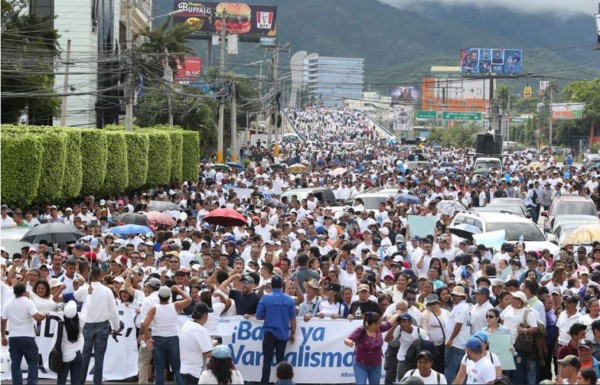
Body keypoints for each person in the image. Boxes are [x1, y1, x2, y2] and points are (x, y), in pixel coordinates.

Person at [78, 267, 120, 385]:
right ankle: (97, 382)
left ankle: (80, 381)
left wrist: (86, 285)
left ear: (90, 277)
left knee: (85, 354)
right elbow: (113, 312)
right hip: (102, 326)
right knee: (99, 356)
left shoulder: (85, 288)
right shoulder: (107, 291)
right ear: (101, 276)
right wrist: (116, 327)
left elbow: (76, 296)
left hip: (88, 325)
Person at [142, 285, 191, 385]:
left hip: (158, 339)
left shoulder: (154, 308)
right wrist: (178, 289)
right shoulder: (175, 305)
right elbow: (189, 299)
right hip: (173, 339)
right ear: (169, 296)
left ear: (158, 296)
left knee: (159, 369)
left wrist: (148, 340)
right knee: (177, 369)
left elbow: (145, 324)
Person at [1, 283, 48, 385]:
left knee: (15, 363)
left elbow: (3, 319)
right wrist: (45, 314)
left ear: (14, 292)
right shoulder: (28, 302)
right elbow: (37, 317)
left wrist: (3, 335)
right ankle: (31, 383)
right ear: (24, 292)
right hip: (27, 337)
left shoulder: (8, 303)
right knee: (32, 362)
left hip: (13, 337)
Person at [256, 275, 296, 384]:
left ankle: (264, 382)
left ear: (272, 285)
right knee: (281, 362)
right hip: (283, 333)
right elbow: (292, 319)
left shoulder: (265, 298)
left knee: (267, 361)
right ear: (282, 285)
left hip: (269, 333)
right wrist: (293, 333)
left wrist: (267, 316)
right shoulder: (289, 299)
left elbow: (258, 316)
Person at [345, 311, 401, 385]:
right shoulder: (361, 330)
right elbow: (347, 339)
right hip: (360, 365)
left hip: (376, 365)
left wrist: (397, 314)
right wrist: (349, 342)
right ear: (372, 324)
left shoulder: (379, 328)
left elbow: (389, 323)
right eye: (379, 323)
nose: (381, 324)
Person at [179, 303, 215, 385]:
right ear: (205, 316)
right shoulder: (201, 330)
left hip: (184, 369)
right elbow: (208, 353)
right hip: (195, 372)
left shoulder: (186, 325)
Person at [443, 285, 471, 384]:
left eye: (457, 295)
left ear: (463, 297)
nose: (454, 297)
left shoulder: (461, 307)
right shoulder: (463, 306)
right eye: (453, 295)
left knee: (450, 368)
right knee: (461, 369)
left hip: (456, 343)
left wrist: (450, 339)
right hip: (460, 342)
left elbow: (458, 324)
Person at [56, 301, 84, 385]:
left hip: (64, 355)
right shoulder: (81, 322)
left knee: (61, 381)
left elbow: (56, 341)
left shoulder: (60, 324)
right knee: (76, 382)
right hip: (78, 354)